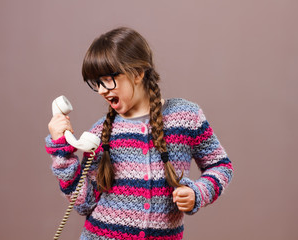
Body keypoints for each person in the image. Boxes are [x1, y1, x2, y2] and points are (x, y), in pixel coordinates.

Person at [45, 27, 234, 240]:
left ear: (137, 73)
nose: (101, 90)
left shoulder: (186, 117)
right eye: (96, 83)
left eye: (107, 79)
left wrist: (198, 193)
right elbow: (84, 202)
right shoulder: (100, 133)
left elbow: (221, 166)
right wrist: (62, 153)